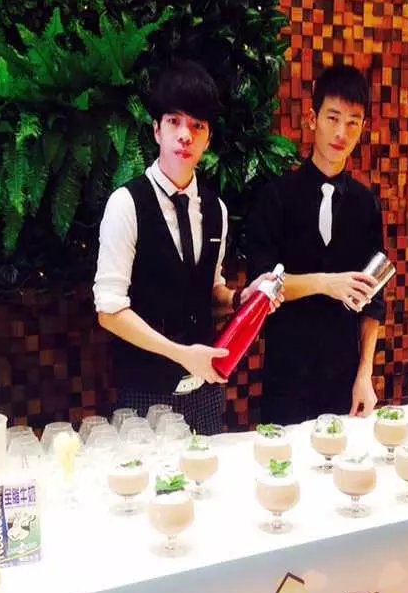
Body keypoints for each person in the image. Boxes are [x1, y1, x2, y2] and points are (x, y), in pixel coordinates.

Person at [94, 60, 280, 435]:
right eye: (174, 121)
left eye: (197, 126)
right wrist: (181, 355)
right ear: (156, 130)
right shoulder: (126, 204)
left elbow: (210, 291)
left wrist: (243, 298)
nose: (185, 136)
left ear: (208, 139)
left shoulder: (216, 210)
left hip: (205, 390)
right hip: (145, 391)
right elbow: (109, 311)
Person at [246, 63, 386, 425]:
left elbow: (374, 303)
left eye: (352, 122)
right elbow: (262, 287)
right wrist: (326, 283)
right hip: (286, 377)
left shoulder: (365, 204)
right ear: (313, 119)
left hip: (344, 379)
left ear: (362, 128)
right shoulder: (277, 197)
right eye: (333, 118)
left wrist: (365, 375)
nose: (341, 132)